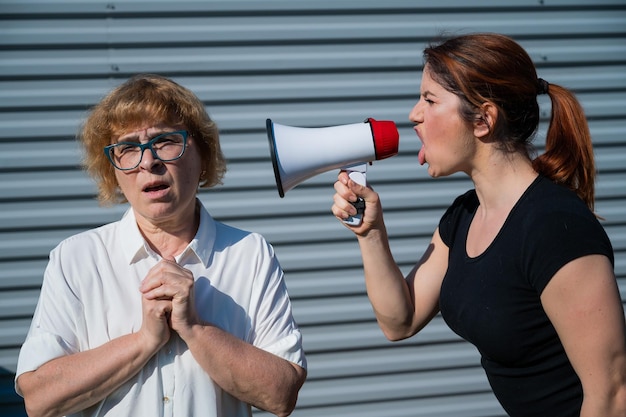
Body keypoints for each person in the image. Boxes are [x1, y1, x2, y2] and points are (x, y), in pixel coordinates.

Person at [331, 33, 626, 416]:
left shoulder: (555, 229)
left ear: (484, 120)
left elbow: (612, 394)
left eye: (429, 100)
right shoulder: (464, 216)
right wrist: (370, 233)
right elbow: (399, 320)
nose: (413, 114)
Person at [15, 74, 307, 417]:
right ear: (113, 173)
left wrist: (195, 328)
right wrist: (144, 340)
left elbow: (281, 394)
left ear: (202, 155)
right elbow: (39, 400)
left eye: (166, 141)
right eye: (127, 148)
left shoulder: (250, 253)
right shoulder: (77, 257)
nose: (147, 161)